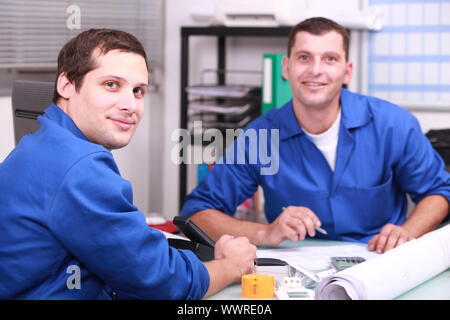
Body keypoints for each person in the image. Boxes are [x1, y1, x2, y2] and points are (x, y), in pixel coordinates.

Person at [0, 29, 256, 299]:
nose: (129, 104)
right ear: (65, 85)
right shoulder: (79, 167)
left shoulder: (40, 144)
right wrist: (232, 266)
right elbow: (163, 283)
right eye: (111, 84)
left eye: (138, 91)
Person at [180, 17, 450, 254]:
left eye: (330, 59)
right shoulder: (261, 136)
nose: (315, 70)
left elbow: (439, 191)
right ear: (286, 68)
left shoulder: (393, 125)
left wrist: (408, 232)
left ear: (347, 71)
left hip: (378, 262)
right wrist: (265, 233)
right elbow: (197, 213)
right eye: (304, 57)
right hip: (293, 268)